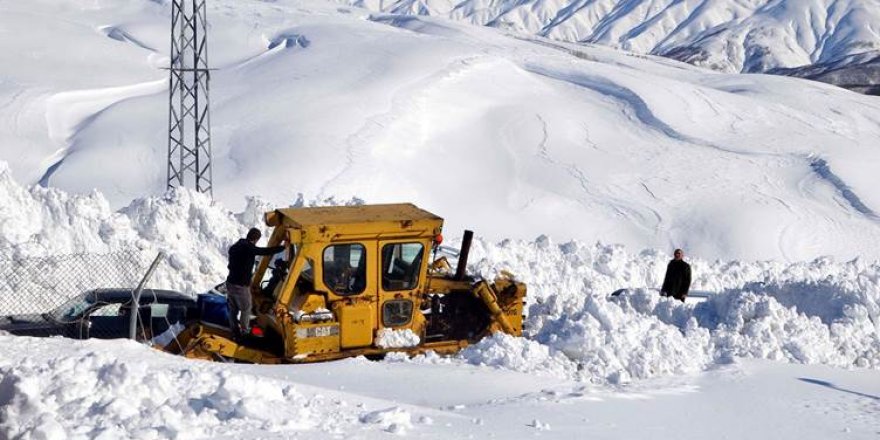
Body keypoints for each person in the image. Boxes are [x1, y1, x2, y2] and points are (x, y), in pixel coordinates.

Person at [226, 228, 285, 339]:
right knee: (246, 308)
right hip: (241, 286)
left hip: (230, 283)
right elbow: (264, 252)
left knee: (233, 309)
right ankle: (244, 332)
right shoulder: (249, 248)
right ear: (256, 239)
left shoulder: (237, 245)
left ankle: (234, 330)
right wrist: (281, 248)